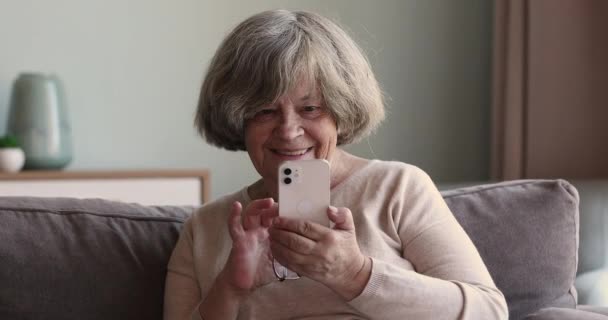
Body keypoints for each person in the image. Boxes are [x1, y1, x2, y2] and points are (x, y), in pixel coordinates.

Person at [164, 9, 508, 320]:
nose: (288, 130)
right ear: (239, 120)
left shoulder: (398, 188)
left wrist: (355, 275)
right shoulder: (205, 227)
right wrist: (231, 289)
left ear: (341, 112)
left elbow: (488, 312)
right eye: (264, 111)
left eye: (310, 108)